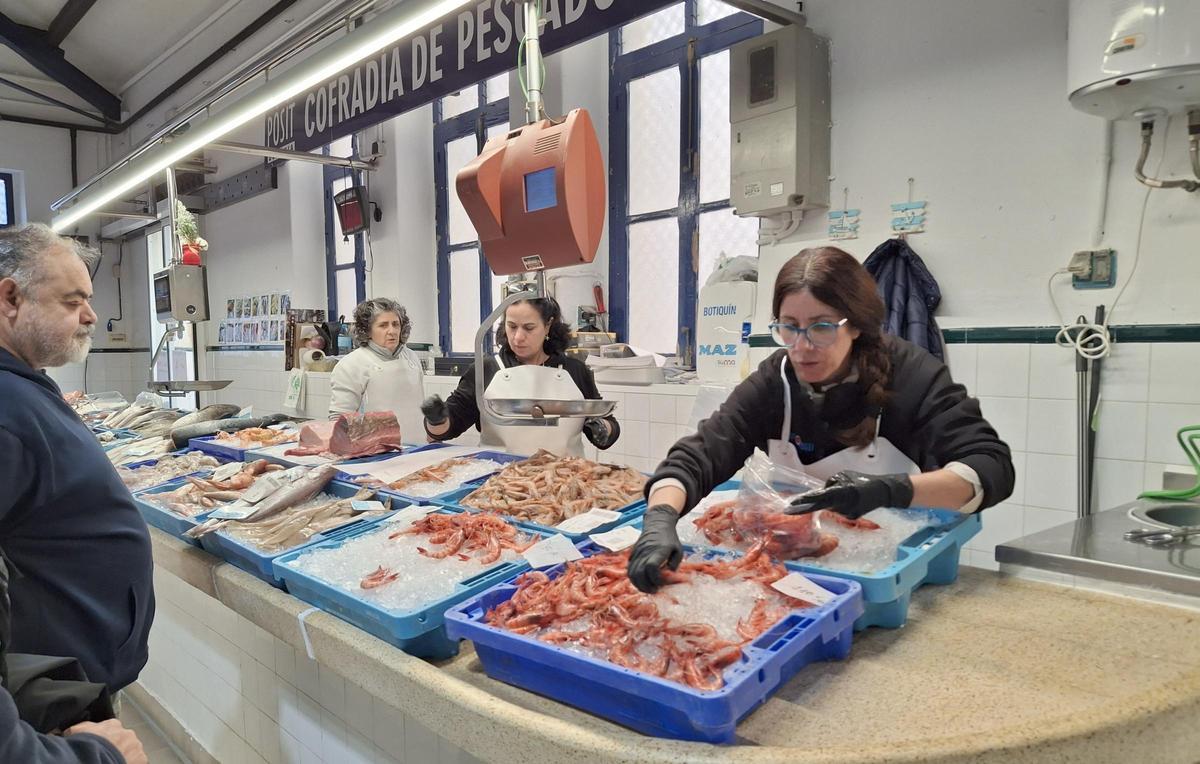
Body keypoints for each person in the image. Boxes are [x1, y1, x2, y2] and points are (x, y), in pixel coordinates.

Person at [627, 246, 1015, 592]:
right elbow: (700, 454)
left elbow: (990, 466)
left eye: (822, 327)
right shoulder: (774, 381)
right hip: (791, 567)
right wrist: (660, 518)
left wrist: (887, 490)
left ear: (857, 324)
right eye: (789, 328)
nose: (802, 347)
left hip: (891, 571)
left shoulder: (912, 374)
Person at [0, 223, 155, 690]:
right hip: (53, 708)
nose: (90, 316)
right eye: (72, 301)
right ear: (10, 299)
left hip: (69, 681)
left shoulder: (22, 385)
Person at [421, 296, 620, 456]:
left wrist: (601, 428)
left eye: (529, 328)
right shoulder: (486, 369)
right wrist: (437, 418)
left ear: (548, 326)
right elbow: (451, 425)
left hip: (564, 479)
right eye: (512, 326)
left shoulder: (574, 370)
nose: (518, 337)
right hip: (499, 479)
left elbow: (608, 429)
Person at [328, 298, 426, 443]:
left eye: (395, 324)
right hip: (376, 452)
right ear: (367, 330)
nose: (391, 331)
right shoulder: (351, 364)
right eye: (383, 325)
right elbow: (339, 419)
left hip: (418, 446)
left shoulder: (411, 357)